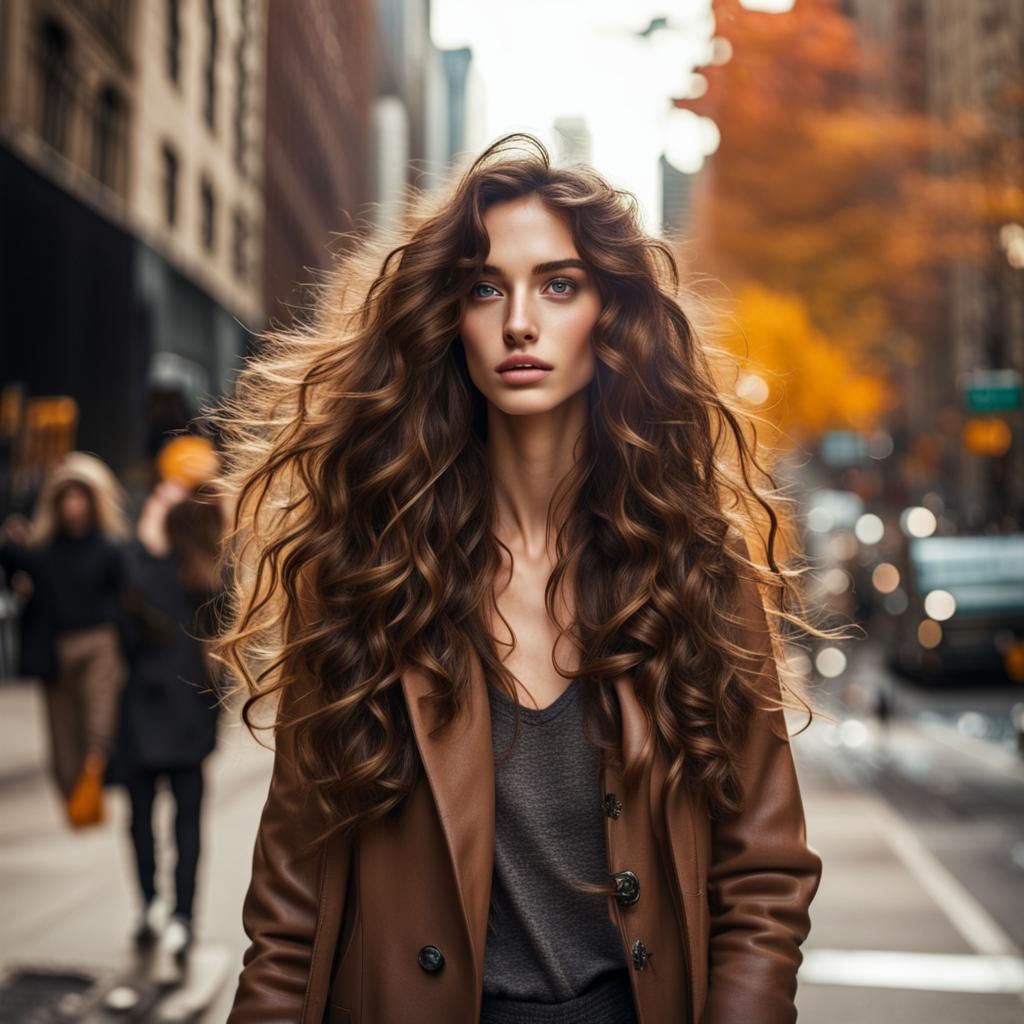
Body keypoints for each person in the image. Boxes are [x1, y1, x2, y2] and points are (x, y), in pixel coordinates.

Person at [217, 133, 835, 1024]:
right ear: (449, 320)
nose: (518, 320)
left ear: (608, 315)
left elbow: (763, 881)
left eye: (558, 284)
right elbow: (287, 921)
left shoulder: (696, 574)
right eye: (483, 288)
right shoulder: (368, 575)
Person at [111, 477, 227, 960]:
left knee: (187, 826)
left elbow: (191, 620)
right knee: (138, 821)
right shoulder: (135, 564)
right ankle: (150, 903)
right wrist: (147, 541)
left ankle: (182, 915)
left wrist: (157, 539)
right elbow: (131, 626)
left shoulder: (205, 566)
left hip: (188, 715)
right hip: (138, 712)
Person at [0, 452, 130, 823]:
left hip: (99, 643)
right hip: (56, 649)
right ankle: (79, 796)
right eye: (66, 497)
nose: (74, 505)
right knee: (62, 737)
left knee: (98, 724)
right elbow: (14, 561)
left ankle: (99, 775)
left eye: (80, 495)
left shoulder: (109, 548)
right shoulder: (45, 550)